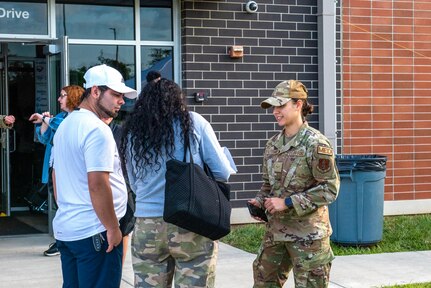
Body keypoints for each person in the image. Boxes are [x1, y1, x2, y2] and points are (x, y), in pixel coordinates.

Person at [119, 79, 235, 288]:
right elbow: (222, 172)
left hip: (147, 223)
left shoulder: (133, 131)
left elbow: (134, 183)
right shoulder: (193, 122)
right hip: (189, 220)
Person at [248, 80, 340, 288]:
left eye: (281, 105)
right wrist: (260, 201)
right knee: (264, 282)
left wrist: (287, 202)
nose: (275, 111)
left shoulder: (315, 143)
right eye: (273, 106)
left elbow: (330, 189)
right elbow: (267, 185)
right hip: (276, 232)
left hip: (308, 236)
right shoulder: (273, 144)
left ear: (298, 105)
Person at [52, 64, 137, 288]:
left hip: (70, 228)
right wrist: (112, 227)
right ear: (96, 91)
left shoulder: (66, 124)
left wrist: (67, 208)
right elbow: (98, 184)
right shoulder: (97, 129)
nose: (122, 101)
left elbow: (56, 175)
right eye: (116, 94)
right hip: (95, 232)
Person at [29, 85, 84, 256]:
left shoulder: (77, 117)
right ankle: (62, 239)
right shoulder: (60, 116)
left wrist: (46, 120)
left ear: (73, 97)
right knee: (59, 203)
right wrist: (44, 121)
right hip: (55, 166)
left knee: (65, 204)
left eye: (62, 96)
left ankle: (64, 241)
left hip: (67, 170)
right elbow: (45, 138)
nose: (59, 99)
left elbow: (63, 126)